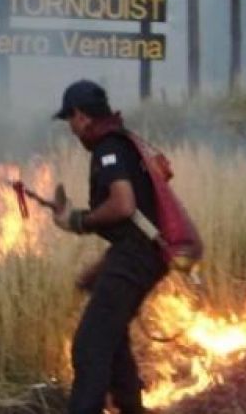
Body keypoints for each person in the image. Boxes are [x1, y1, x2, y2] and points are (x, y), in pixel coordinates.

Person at [51, 79, 167, 414]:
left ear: (81, 116)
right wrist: (101, 271)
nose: (71, 129)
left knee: (89, 347)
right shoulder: (122, 142)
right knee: (113, 340)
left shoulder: (108, 149)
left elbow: (124, 205)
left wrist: (78, 221)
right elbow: (130, 225)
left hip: (137, 257)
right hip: (138, 255)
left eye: (70, 120)